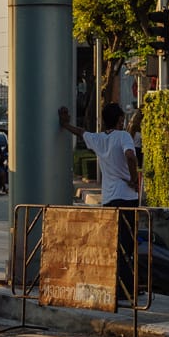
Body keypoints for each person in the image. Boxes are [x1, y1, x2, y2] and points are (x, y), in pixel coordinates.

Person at [59, 102, 141, 294]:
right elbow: (130, 156)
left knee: (114, 244)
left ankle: (116, 285)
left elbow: (81, 132)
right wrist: (133, 178)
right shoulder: (123, 136)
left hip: (109, 199)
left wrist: (64, 125)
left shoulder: (98, 139)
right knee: (127, 246)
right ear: (120, 120)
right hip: (127, 197)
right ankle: (128, 288)